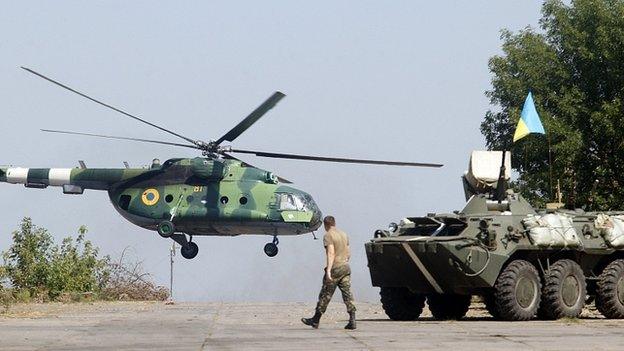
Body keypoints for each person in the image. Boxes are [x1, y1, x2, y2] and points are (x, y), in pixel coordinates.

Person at [301, 215, 356, 330]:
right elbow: (348, 252)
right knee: (347, 294)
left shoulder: (328, 235)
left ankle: (315, 320)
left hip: (336, 268)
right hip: (345, 267)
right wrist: (344, 261)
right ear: (334, 223)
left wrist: (329, 271)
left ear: (326, 225)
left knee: (325, 294)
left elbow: (330, 253)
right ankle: (352, 319)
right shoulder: (343, 234)